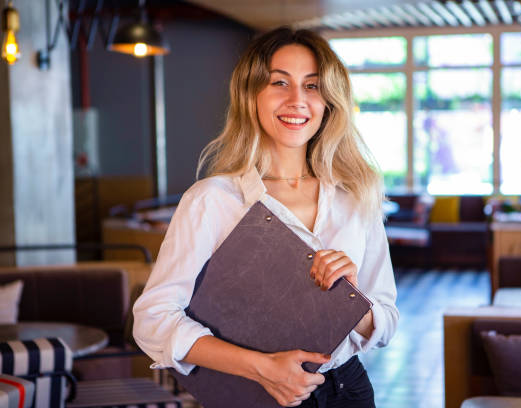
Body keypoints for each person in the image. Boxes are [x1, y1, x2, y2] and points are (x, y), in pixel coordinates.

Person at [132, 27, 399, 408]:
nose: (297, 100)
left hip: (347, 390)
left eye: (312, 86)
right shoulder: (213, 200)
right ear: (251, 94)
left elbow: (386, 321)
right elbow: (152, 320)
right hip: (253, 394)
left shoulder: (356, 198)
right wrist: (260, 367)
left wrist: (350, 301)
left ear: (329, 102)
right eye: (279, 82)